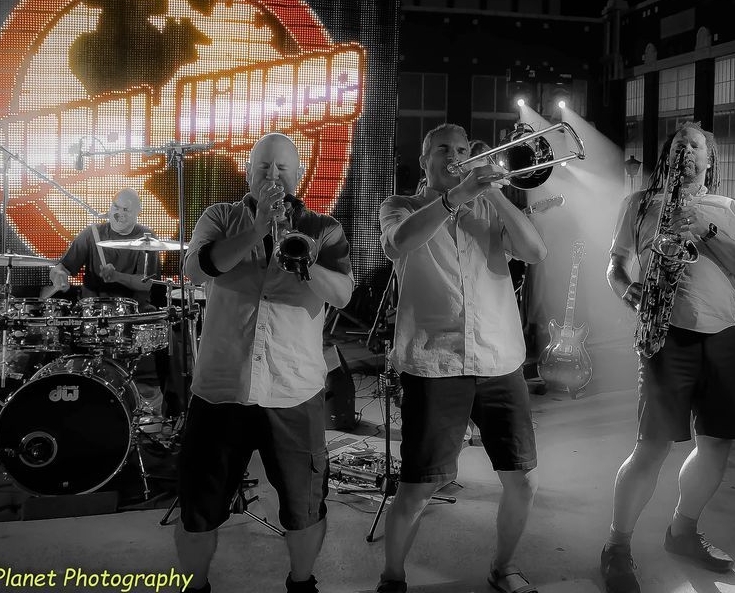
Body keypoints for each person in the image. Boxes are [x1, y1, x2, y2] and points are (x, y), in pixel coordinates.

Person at [174, 132, 354, 593]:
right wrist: (256, 230)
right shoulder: (219, 216)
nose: (273, 176)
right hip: (221, 388)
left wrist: (307, 264)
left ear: (298, 175)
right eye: (264, 167)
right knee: (199, 506)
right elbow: (196, 270)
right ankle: (195, 585)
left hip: (293, 390)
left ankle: (302, 583)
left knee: (304, 505)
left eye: (282, 169)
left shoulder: (324, 228)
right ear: (249, 172)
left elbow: (342, 294)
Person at [376, 123, 548, 593]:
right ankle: (392, 577)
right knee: (418, 487)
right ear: (424, 160)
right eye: (443, 150)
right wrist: (457, 197)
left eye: (462, 149)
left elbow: (535, 252)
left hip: (498, 360)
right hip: (435, 364)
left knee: (522, 480)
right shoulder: (400, 205)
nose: (454, 156)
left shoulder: (488, 207)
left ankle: (503, 568)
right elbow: (397, 243)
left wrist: (493, 194)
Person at [599, 122, 735, 593]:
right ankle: (616, 546)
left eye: (695, 144)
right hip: (665, 338)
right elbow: (615, 263)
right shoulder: (640, 204)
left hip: (721, 338)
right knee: (651, 448)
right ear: (668, 155)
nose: (685, 149)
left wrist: (704, 229)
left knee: (716, 445)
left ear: (710, 159)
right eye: (678, 143)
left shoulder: (730, 209)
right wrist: (625, 288)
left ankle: (683, 531)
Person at [47, 187, 159, 307]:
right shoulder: (92, 233)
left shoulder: (146, 237)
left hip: (133, 310)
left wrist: (116, 276)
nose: (119, 214)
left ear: (138, 212)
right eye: (116, 207)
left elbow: (146, 284)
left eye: (126, 210)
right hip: (92, 309)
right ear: (109, 209)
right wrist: (58, 275)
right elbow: (62, 268)